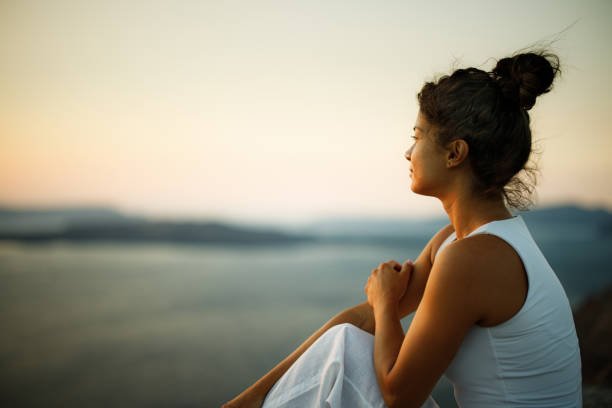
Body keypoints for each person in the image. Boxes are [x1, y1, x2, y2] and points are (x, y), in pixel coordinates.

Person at [222, 51, 582, 407]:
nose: (408, 152)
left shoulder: (472, 258)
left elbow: (399, 396)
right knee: (345, 342)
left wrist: (385, 304)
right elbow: (361, 320)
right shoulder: (457, 243)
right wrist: (250, 398)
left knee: (347, 352)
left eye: (418, 136)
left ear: (454, 153)